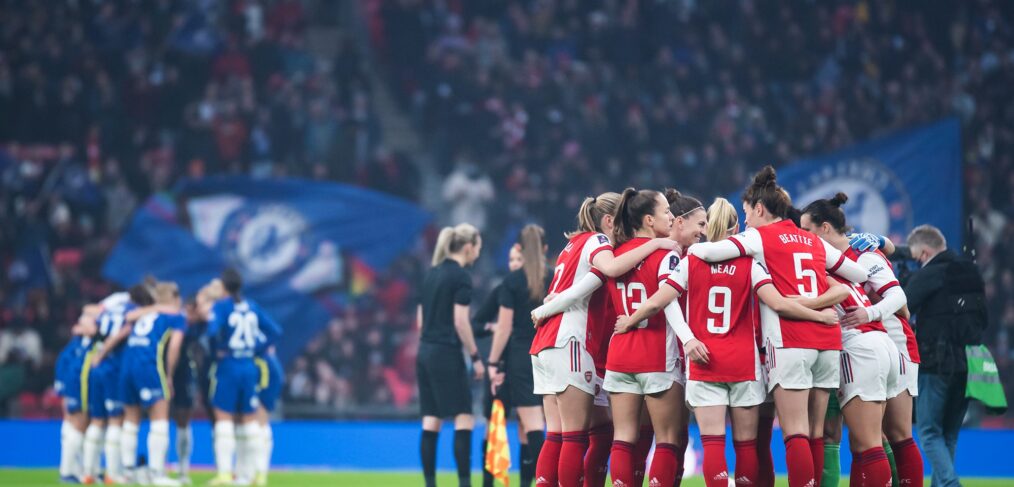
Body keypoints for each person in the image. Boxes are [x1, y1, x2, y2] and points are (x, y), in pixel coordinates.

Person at [616, 197, 842, 487]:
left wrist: (632, 320)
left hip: (704, 361)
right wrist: (819, 315)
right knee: (748, 446)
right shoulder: (751, 265)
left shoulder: (691, 261)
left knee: (712, 444)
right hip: (744, 364)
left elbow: (659, 301)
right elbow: (779, 303)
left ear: (710, 225)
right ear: (737, 228)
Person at [688, 166, 868, 487]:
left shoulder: (758, 236)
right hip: (827, 341)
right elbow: (859, 275)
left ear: (759, 209)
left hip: (791, 340)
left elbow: (707, 251)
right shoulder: (811, 240)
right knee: (816, 431)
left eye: (746, 213)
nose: (745, 221)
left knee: (795, 430)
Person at [529, 192, 676, 487]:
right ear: (608, 221)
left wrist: (549, 304)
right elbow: (608, 270)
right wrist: (656, 243)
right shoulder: (597, 241)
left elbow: (576, 287)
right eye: (619, 222)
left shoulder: (571, 246)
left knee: (567, 432)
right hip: (569, 338)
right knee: (574, 433)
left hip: (546, 342)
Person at [800, 193, 910, 487]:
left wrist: (869, 312)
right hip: (875, 346)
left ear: (824, 228)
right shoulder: (839, 262)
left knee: (870, 443)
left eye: (807, 230)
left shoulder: (862, 253)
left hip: (861, 345)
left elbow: (899, 298)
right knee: (864, 441)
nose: (802, 237)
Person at [600, 188, 684, 487]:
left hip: (620, 355)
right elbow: (665, 300)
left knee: (623, 438)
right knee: (668, 438)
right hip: (655, 354)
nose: (671, 217)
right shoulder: (666, 255)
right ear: (649, 220)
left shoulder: (613, 254)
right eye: (665, 213)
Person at [905, 224, 987, 487]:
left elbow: (902, 308)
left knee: (929, 433)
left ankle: (951, 484)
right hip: (970, 363)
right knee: (949, 435)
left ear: (925, 253)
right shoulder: (970, 272)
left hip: (936, 364)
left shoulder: (930, 274)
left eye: (918, 258)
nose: (918, 263)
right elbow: (983, 318)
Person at [94, 282, 186, 486]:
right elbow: (174, 347)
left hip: (127, 366)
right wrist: (169, 374)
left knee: (130, 420)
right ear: (173, 298)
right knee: (159, 420)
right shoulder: (176, 317)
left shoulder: (142, 313)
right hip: (148, 365)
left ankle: (127, 473)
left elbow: (126, 322)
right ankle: (156, 474)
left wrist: (101, 354)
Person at [417, 224, 485, 487]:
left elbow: (420, 321)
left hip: (424, 352)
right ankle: (465, 483)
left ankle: (430, 483)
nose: (478, 254)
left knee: (431, 419)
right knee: (463, 416)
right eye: (478, 248)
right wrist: (475, 356)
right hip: (446, 352)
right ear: (468, 247)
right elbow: (460, 322)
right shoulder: (461, 277)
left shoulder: (431, 274)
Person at [206, 269, 283, 486]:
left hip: (229, 365)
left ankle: (224, 474)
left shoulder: (221, 307)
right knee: (251, 422)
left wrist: (218, 349)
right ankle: (257, 475)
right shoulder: (251, 305)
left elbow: (211, 332)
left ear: (223, 287)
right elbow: (276, 331)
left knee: (224, 420)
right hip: (249, 366)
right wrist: (255, 348)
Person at [487, 225, 550, 487]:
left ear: (519, 249)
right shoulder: (554, 276)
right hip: (548, 353)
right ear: (545, 249)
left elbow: (503, 327)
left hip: (521, 357)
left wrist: (492, 361)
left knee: (531, 424)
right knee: (548, 427)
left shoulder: (512, 282)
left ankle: (542, 481)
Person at [81, 285, 154, 485]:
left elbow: (92, 326)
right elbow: (123, 333)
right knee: (115, 420)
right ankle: (113, 473)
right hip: (113, 368)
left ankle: (89, 472)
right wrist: (104, 351)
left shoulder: (110, 310)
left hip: (97, 369)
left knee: (96, 420)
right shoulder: (133, 313)